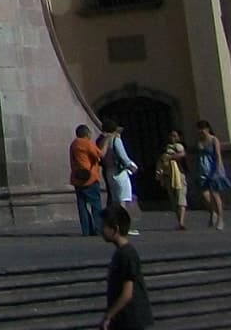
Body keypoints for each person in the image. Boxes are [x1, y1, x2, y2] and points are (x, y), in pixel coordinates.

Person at [98, 202, 152, 330]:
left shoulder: (126, 254)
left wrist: (109, 316)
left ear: (115, 229)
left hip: (130, 318)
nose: (101, 230)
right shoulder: (121, 252)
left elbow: (127, 292)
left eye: (104, 226)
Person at [71, 123, 107, 236]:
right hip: (90, 178)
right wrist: (106, 141)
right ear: (86, 134)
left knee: (82, 205)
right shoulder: (87, 143)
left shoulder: (74, 144)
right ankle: (98, 228)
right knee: (95, 204)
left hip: (77, 178)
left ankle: (86, 230)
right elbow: (101, 154)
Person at [193, 120, 230, 231]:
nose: (201, 131)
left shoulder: (214, 140)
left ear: (207, 129)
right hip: (202, 170)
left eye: (202, 129)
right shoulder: (199, 141)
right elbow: (197, 157)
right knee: (205, 196)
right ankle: (213, 212)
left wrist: (218, 169)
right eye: (199, 129)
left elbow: (218, 155)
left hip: (212, 169)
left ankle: (220, 220)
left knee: (215, 194)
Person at [100, 119, 138, 210]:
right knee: (122, 200)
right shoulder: (115, 139)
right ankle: (121, 217)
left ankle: (116, 217)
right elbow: (122, 155)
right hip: (119, 171)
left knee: (115, 199)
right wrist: (131, 166)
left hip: (109, 171)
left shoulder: (103, 140)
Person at [157, 129, 189, 230]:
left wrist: (170, 157)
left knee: (181, 197)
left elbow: (182, 154)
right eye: (171, 136)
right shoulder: (165, 148)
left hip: (179, 174)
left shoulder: (180, 147)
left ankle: (181, 221)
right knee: (173, 199)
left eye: (175, 136)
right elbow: (161, 160)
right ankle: (179, 220)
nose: (172, 138)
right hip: (168, 175)